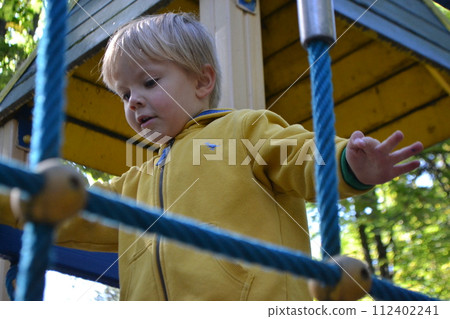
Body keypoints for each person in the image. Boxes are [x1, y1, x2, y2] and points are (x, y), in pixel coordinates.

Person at [0, 12, 423, 300]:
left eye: (149, 82)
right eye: (125, 93)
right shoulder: (138, 179)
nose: (134, 102)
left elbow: (299, 155)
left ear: (203, 81)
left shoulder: (243, 131)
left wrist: (350, 162)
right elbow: (77, 212)